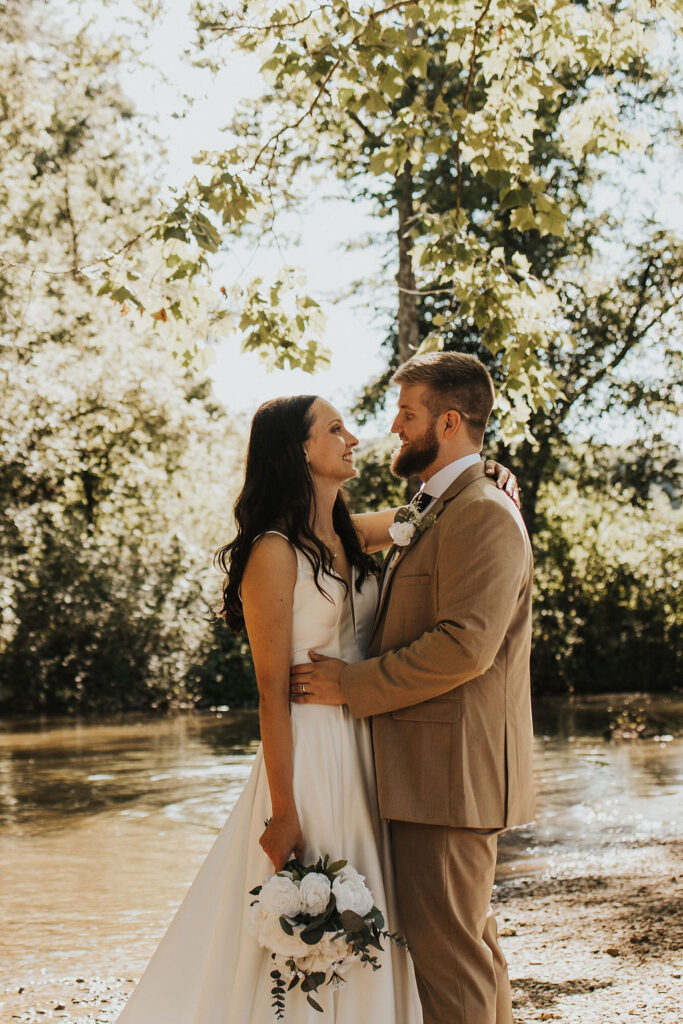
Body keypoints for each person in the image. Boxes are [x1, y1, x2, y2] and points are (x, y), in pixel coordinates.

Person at [115, 391, 515, 1024]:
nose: (353, 438)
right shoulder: (274, 552)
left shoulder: (346, 536)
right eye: (336, 429)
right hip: (311, 758)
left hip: (369, 751)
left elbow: (430, 507)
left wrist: (485, 470)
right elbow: (271, 693)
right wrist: (283, 811)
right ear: (300, 451)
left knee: (381, 912)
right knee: (317, 926)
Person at [291, 353, 535, 1024]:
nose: (393, 427)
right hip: (428, 774)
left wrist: (350, 684)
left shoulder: (480, 512)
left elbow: (464, 646)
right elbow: (341, 535)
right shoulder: (442, 504)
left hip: (447, 777)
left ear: (448, 422)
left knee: (446, 959)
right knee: (467, 947)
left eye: (407, 414)